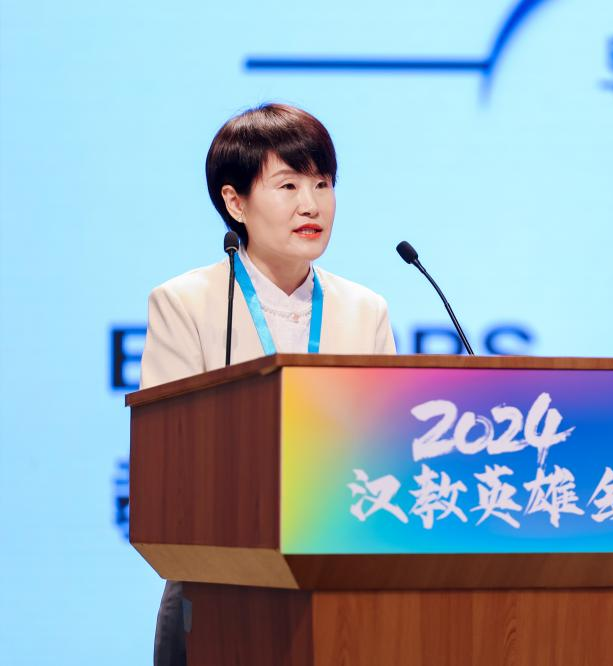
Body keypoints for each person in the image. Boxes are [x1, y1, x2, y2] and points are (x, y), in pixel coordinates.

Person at [140, 103, 396, 665]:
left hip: (342, 582)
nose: (312, 204)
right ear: (235, 203)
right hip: (219, 585)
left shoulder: (364, 308)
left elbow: (386, 454)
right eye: (288, 185)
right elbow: (171, 459)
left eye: (323, 184)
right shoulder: (186, 303)